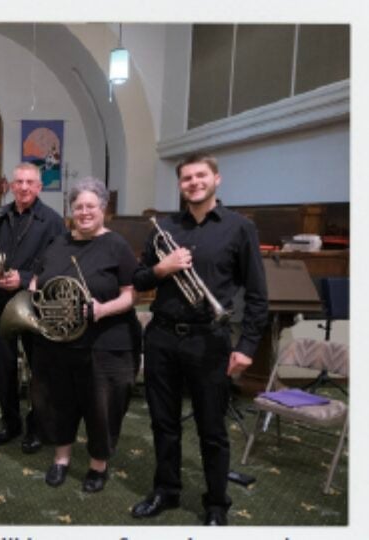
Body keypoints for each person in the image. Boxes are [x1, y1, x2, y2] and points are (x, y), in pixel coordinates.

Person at [130, 153, 268, 526]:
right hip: (161, 337)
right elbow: (139, 279)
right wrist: (163, 268)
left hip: (209, 339)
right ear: (180, 185)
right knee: (163, 422)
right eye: (187, 178)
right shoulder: (164, 228)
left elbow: (257, 295)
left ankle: (216, 504)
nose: (194, 182)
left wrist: (247, 347)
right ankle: (166, 490)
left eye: (200, 175)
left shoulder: (240, 228)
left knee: (212, 428)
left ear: (216, 179)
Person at [30, 178, 140, 493]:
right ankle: (61, 459)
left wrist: (103, 309)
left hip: (105, 342)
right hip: (59, 342)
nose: (84, 212)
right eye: (78, 207)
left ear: (103, 209)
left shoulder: (116, 245)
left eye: (91, 206)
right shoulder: (58, 243)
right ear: (71, 211)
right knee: (58, 402)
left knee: (102, 407)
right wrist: (36, 295)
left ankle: (97, 465)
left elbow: (131, 294)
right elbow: (37, 279)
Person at [0, 162, 67, 452]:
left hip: (36, 305)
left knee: (38, 368)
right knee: (4, 367)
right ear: (11, 186)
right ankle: (10, 422)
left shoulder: (53, 221)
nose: (23, 187)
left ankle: (36, 426)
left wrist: (23, 279)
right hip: (0, 303)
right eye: (19, 182)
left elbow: (60, 265)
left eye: (29, 182)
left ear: (39, 187)